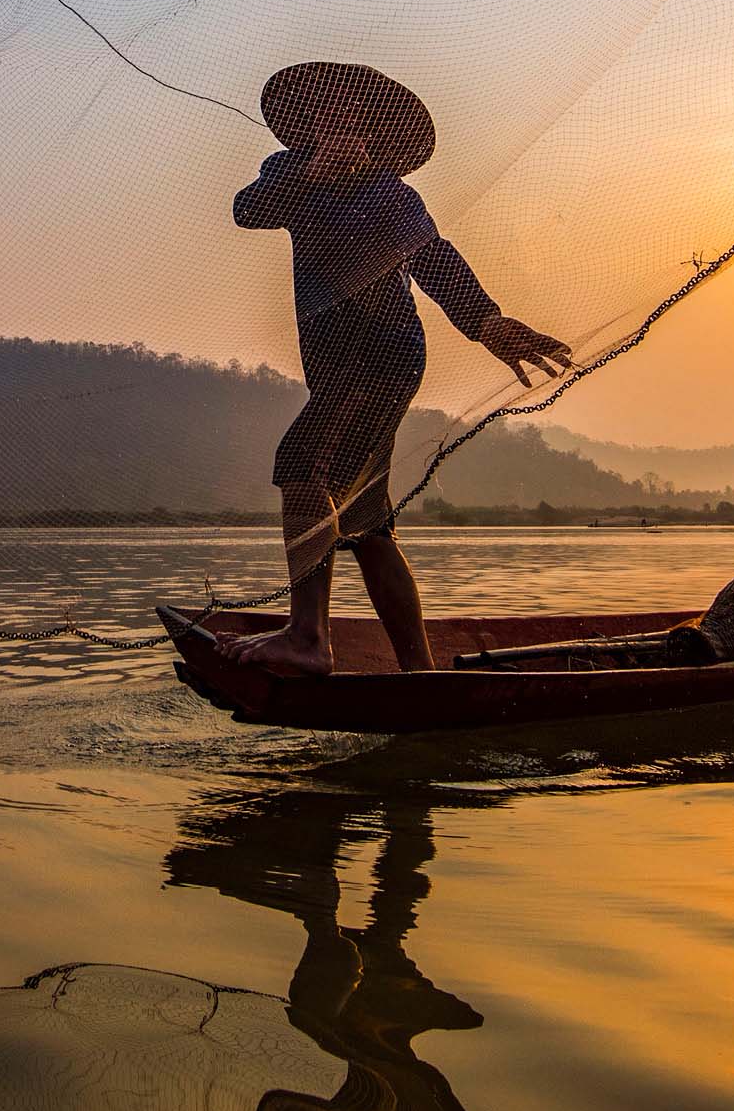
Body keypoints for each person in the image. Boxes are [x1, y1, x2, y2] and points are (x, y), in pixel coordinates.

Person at [218, 62, 571, 677]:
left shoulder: (391, 195)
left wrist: (487, 323)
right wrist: (309, 173)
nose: (343, 126)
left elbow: (435, 262)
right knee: (365, 518)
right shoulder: (288, 174)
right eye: (329, 116)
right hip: (333, 362)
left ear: (376, 142)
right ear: (308, 126)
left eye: (356, 122)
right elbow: (248, 210)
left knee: (303, 464)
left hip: (383, 353)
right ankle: (418, 671)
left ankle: (308, 639)